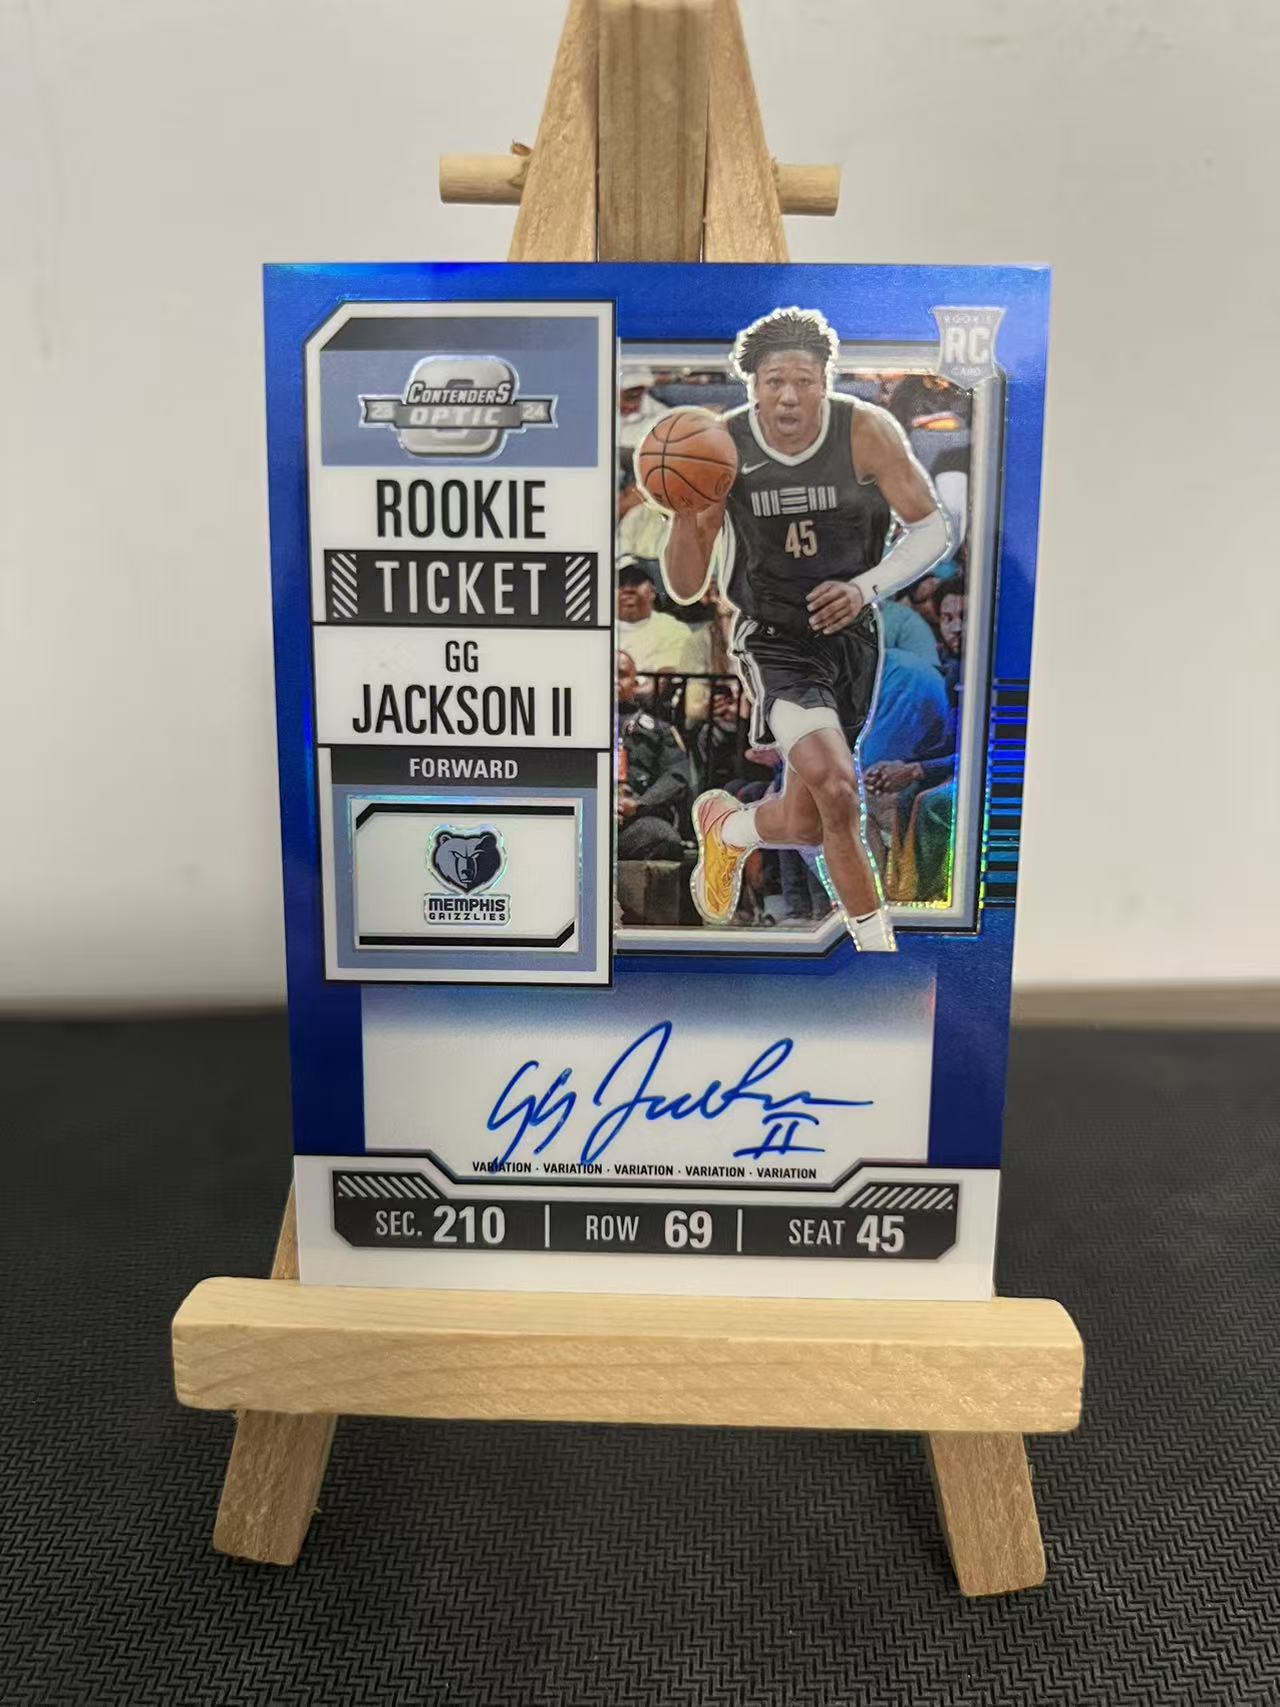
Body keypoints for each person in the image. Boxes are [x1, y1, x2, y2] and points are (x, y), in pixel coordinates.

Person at [655, 307, 952, 951]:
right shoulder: (720, 447)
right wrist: (684, 513)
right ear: (753, 386)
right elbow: (684, 585)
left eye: (803, 380)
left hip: (852, 639)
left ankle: (729, 829)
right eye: (773, 381)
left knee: (810, 822)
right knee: (840, 789)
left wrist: (864, 587)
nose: (788, 395)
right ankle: (876, 952)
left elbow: (932, 528)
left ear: (824, 382)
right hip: (775, 641)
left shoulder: (865, 431)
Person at [616, 652, 692, 861]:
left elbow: (677, 775)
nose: (614, 680)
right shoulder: (573, 727)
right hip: (587, 816)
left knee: (663, 837)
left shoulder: (659, 729)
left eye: (621, 674)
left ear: (635, 682)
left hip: (635, 819)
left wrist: (639, 804)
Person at [615, 557, 699, 681]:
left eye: (636, 582)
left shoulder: (674, 630)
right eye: (620, 583)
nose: (628, 589)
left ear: (652, 592)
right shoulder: (596, 631)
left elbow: (664, 680)